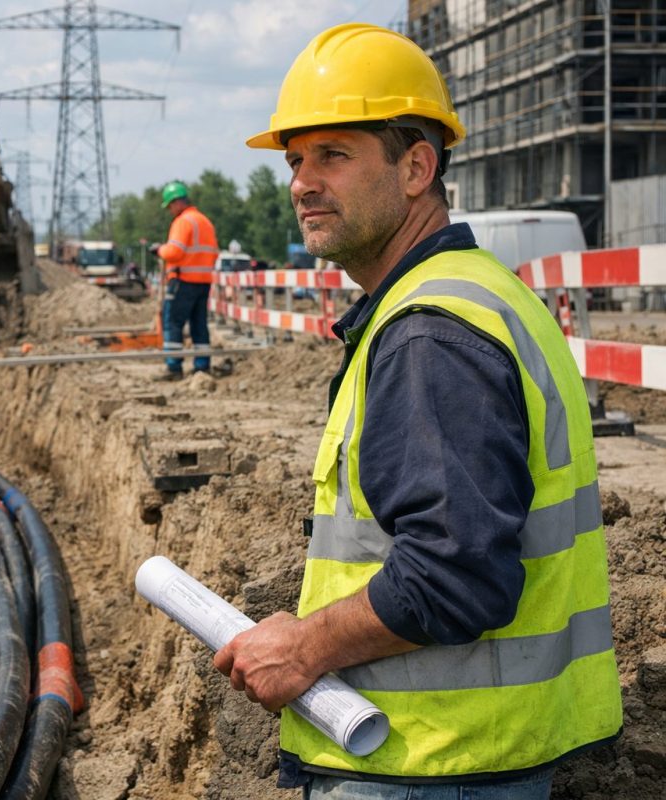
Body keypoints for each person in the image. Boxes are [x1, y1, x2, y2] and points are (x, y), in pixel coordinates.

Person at [214, 23, 621, 798]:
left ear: (416, 168)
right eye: (295, 160)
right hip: (467, 756)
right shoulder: (480, 294)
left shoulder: (429, 333)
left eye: (333, 154)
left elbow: (454, 576)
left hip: (428, 763)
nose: (302, 182)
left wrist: (304, 647)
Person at [153, 180, 218, 380]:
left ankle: (173, 367)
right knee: (199, 324)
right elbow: (213, 253)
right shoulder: (205, 221)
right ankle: (202, 366)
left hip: (183, 281)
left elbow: (174, 252)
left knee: (173, 322)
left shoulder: (183, 221)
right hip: (203, 282)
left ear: (177, 202)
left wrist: (159, 250)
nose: (170, 210)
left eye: (170, 206)